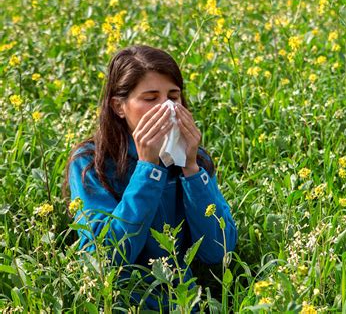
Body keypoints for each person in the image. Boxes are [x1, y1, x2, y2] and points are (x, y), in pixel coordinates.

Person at [63, 45, 238, 310]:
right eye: (150, 98)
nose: (166, 108)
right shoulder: (91, 163)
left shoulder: (192, 158)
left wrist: (191, 168)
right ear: (119, 106)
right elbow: (105, 258)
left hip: (184, 302)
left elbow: (218, 252)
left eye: (173, 96)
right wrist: (148, 168)